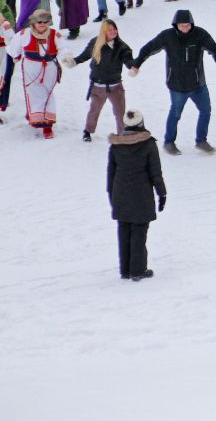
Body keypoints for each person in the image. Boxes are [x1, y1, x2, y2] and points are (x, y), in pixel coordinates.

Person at [106, 109, 166, 282]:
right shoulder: (148, 144)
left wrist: (112, 195)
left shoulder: (116, 145)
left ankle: (125, 269)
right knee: (139, 232)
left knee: (123, 230)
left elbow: (111, 173)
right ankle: (138, 270)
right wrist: (162, 193)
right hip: (141, 195)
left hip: (120, 193)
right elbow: (156, 173)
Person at [63, 18, 132, 141]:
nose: (113, 32)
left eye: (114, 29)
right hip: (98, 86)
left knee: (120, 112)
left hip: (116, 85)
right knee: (94, 110)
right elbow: (84, 56)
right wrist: (73, 61)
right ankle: (87, 131)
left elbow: (128, 60)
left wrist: (133, 67)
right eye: (109, 30)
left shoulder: (122, 47)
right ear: (103, 32)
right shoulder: (96, 43)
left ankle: (122, 134)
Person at [1, 9, 63, 137]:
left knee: (48, 95)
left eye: (45, 21)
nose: (42, 24)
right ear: (33, 23)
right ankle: (35, 116)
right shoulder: (24, 34)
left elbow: (63, 47)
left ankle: (47, 125)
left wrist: (67, 57)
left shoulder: (54, 34)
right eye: (39, 21)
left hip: (49, 69)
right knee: (33, 95)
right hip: (31, 69)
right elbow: (14, 49)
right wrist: (15, 56)